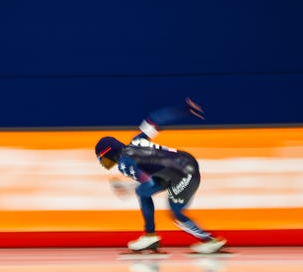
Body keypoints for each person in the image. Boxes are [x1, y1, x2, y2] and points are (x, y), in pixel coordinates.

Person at [94, 98, 226, 254]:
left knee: (175, 212)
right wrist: (183, 109)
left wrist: (128, 188)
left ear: (108, 154)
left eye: (101, 159)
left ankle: (209, 240)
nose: (102, 164)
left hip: (183, 174)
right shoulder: (136, 140)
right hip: (185, 162)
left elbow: (148, 184)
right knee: (144, 192)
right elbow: (154, 119)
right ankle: (150, 235)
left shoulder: (124, 163)